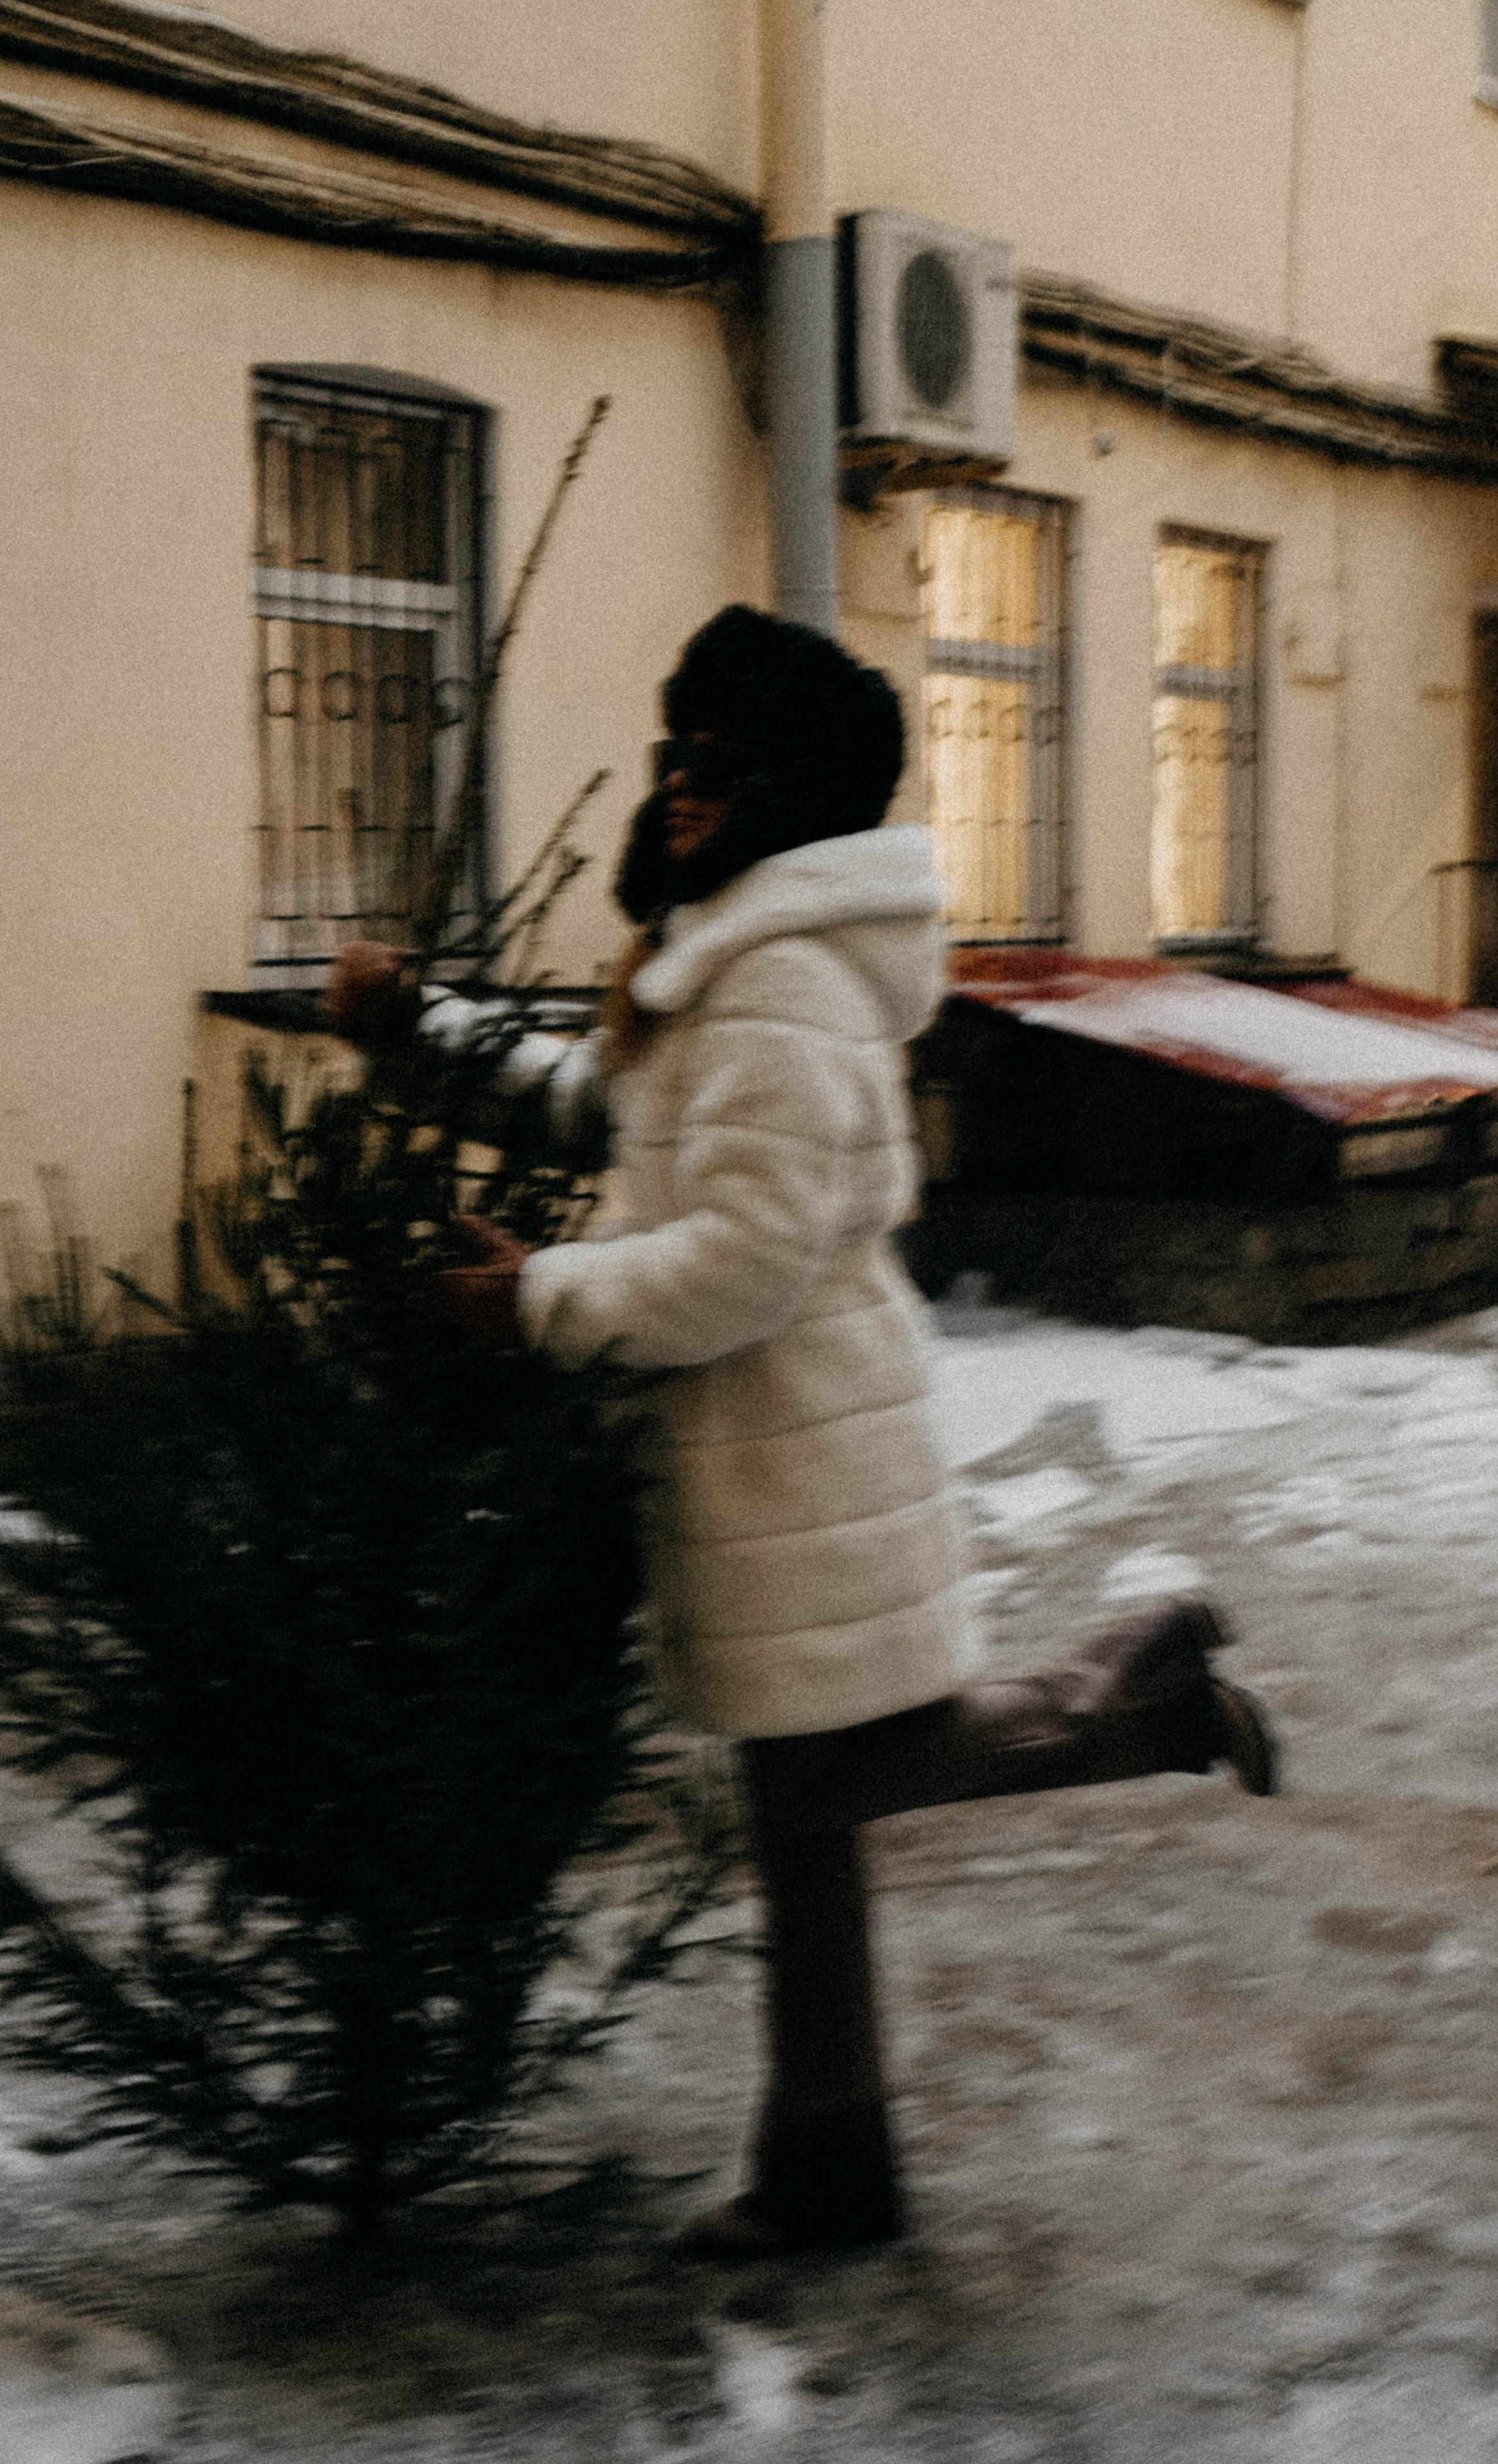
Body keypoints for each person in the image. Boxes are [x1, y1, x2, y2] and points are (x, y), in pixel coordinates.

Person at [326, 603, 1277, 2259]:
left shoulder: (777, 978)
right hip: (762, 1450)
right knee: (803, 1798)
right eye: (675, 750)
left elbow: (746, 1258)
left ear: (789, 795)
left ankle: (1144, 1703)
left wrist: (538, 1297)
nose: (684, 783)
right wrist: (421, 1038)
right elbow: (603, 1109)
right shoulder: (728, 958)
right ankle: (835, 2159)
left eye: (721, 763)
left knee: (844, 1769)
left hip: (797, 1443)